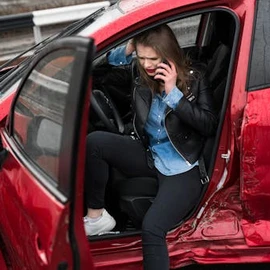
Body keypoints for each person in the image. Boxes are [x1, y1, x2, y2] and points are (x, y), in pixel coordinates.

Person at [84, 24, 217, 270]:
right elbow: (111, 62)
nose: (146, 64)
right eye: (141, 57)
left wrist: (173, 94)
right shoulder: (142, 74)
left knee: (152, 228)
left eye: (152, 58)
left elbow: (209, 125)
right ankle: (97, 218)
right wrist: (130, 45)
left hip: (182, 167)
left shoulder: (195, 79)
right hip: (151, 155)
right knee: (95, 142)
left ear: (167, 55)